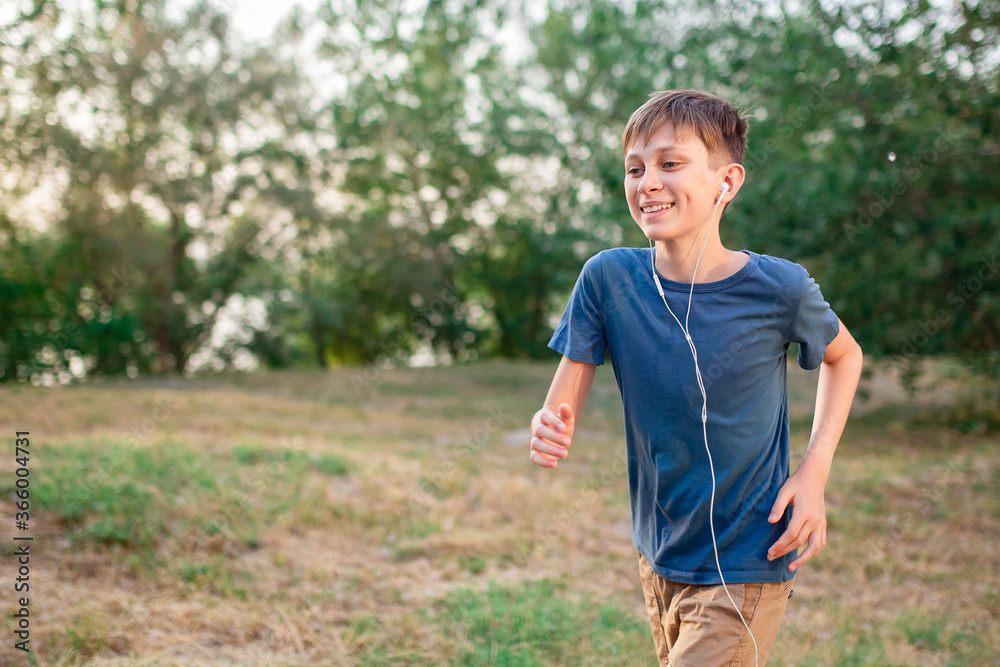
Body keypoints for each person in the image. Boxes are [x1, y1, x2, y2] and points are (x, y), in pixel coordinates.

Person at [529, 90, 863, 666]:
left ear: (726, 182)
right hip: (659, 553)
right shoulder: (608, 279)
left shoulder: (779, 288)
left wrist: (815, 472)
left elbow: (845, 356)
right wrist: (548, 423)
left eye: (670, 163)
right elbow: (563, 397)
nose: (647, 181)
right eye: (634, 169)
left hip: (747, 556)